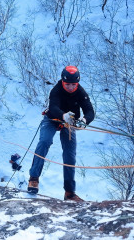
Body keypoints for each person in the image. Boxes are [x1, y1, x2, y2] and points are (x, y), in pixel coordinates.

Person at [28, 65, 94, 202]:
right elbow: (53, 107)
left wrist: (84, 120)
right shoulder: (56, 90)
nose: (70, 87)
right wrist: (63, 116)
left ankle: (69, 193)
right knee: (44, 142)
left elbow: (90, 111)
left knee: (70, 154)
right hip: (52, 119)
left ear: (77, 83)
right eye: (67, 84)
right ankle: (34, 178)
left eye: (73, 85)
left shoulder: (81, 92)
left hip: (69, 123)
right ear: (62, 81)